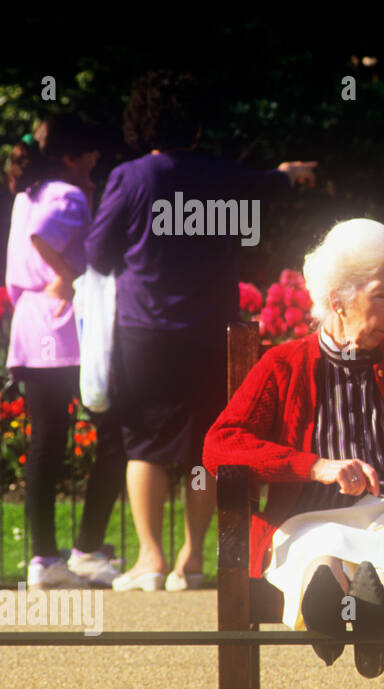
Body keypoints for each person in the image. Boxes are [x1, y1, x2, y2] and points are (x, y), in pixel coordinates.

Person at [203, 218, 384, 677]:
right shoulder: (284, 365)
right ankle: (336, 615)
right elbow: (220, 446)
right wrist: (314, 466)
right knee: (316, 550)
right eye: (383, 296)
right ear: (338, 300)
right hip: (309, 516)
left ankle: (371, 621)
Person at [85, 70, 317, 592]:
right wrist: (291, 172)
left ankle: (150, 561)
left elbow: (97, 253)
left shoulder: (130, 178)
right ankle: (191, 561)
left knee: (142, 444)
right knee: (206, 444)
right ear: (196, 124)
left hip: (145, 332)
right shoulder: (222, 174)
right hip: (216, 333)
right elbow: (269, 185)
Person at [5, 115, 126, 588]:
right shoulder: (66, 195)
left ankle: (44, 560)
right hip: (64, 328)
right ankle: (89, 549)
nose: (97, 157)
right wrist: (67, 275)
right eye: (91, 151)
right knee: (115, 436)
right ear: (72, 157)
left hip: (32, 328)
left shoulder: (27, 195)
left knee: (46, 443)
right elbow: (43, 237)